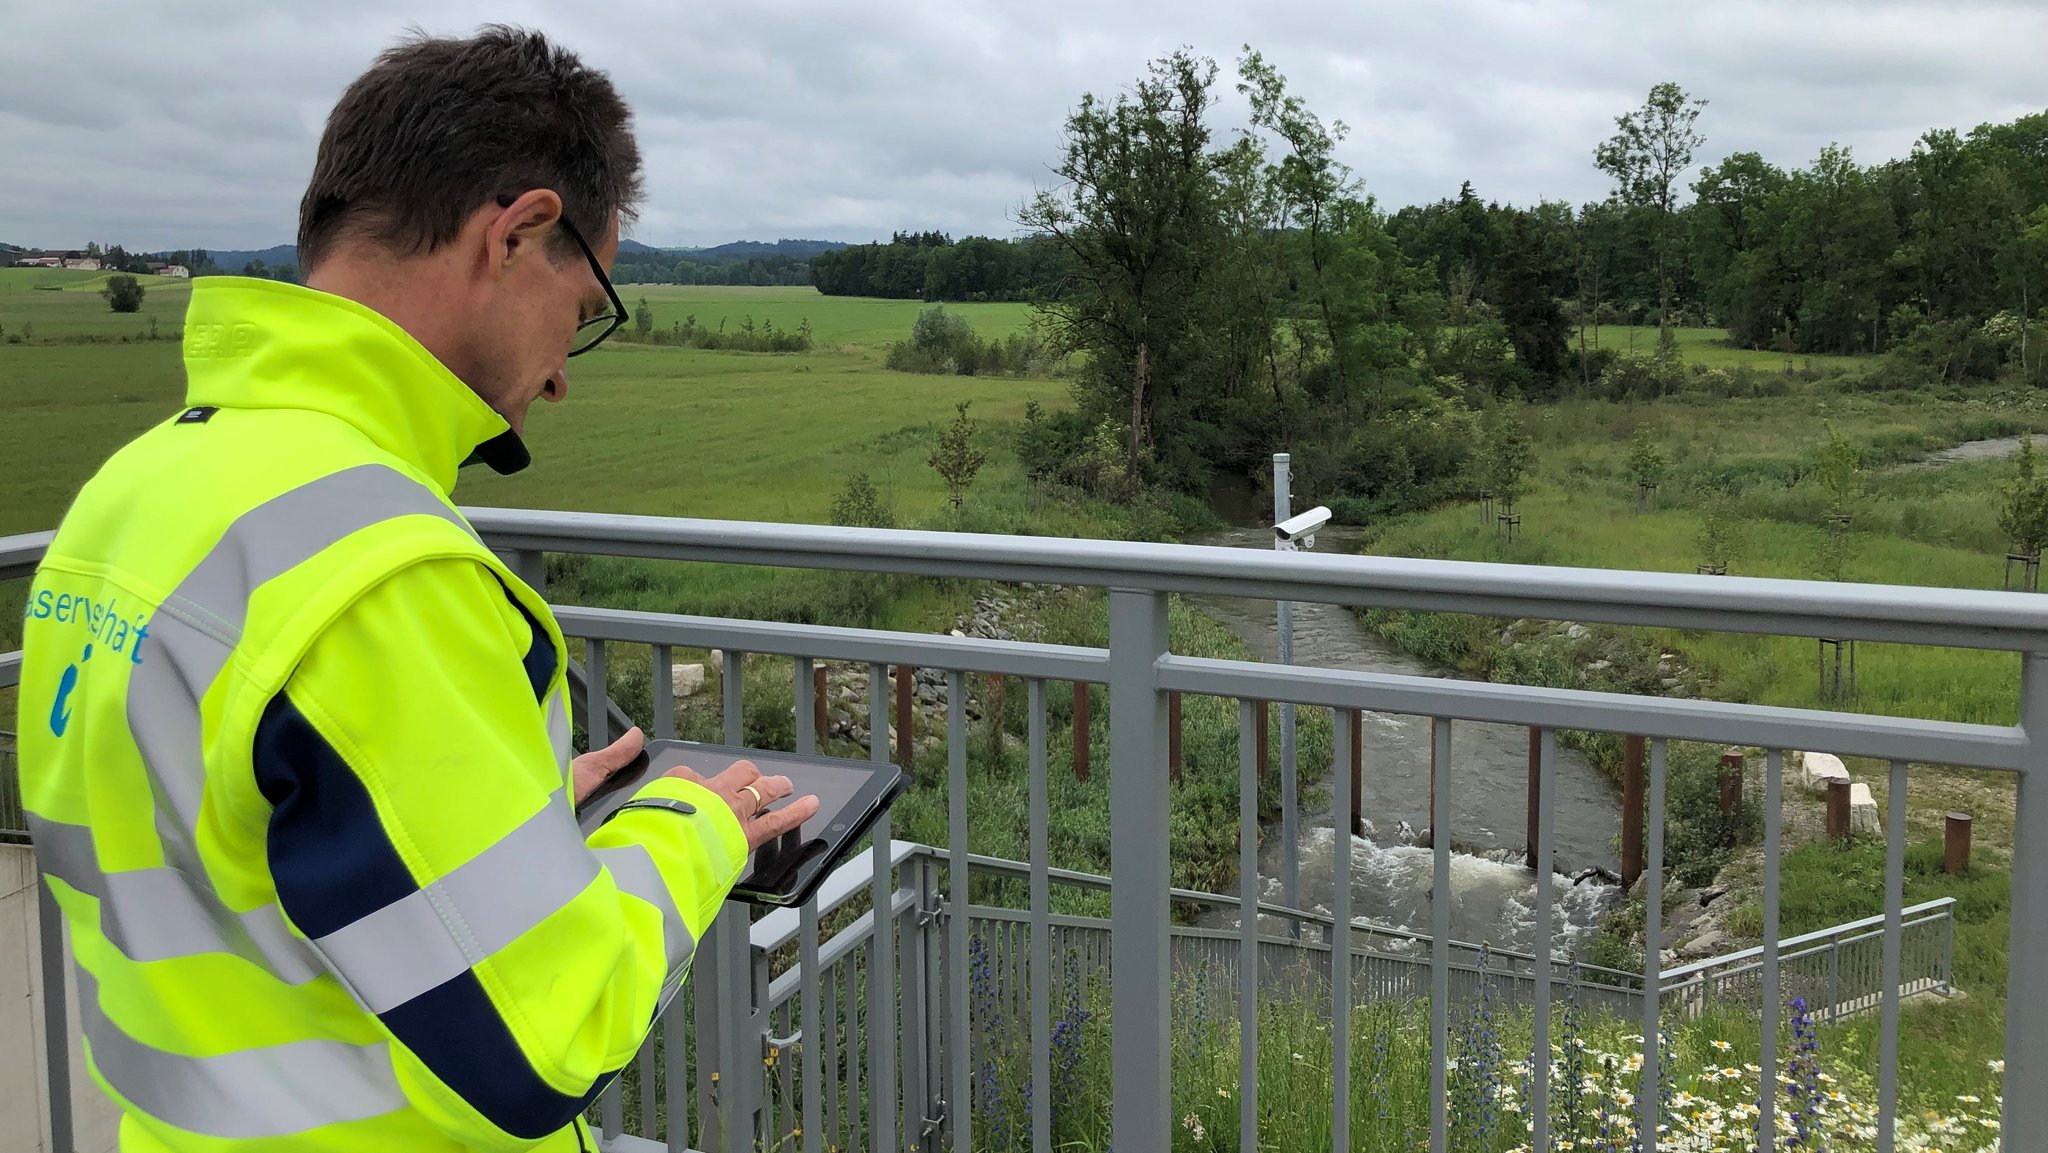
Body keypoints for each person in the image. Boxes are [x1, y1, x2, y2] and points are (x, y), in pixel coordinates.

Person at [15, 25, 818, 1153]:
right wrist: (693, 830)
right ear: (521, 232)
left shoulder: (130, 495)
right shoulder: (384, 568)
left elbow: (237, 847)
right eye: (583, 314)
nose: (557, 376)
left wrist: (515, 825)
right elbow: (555, 1028)